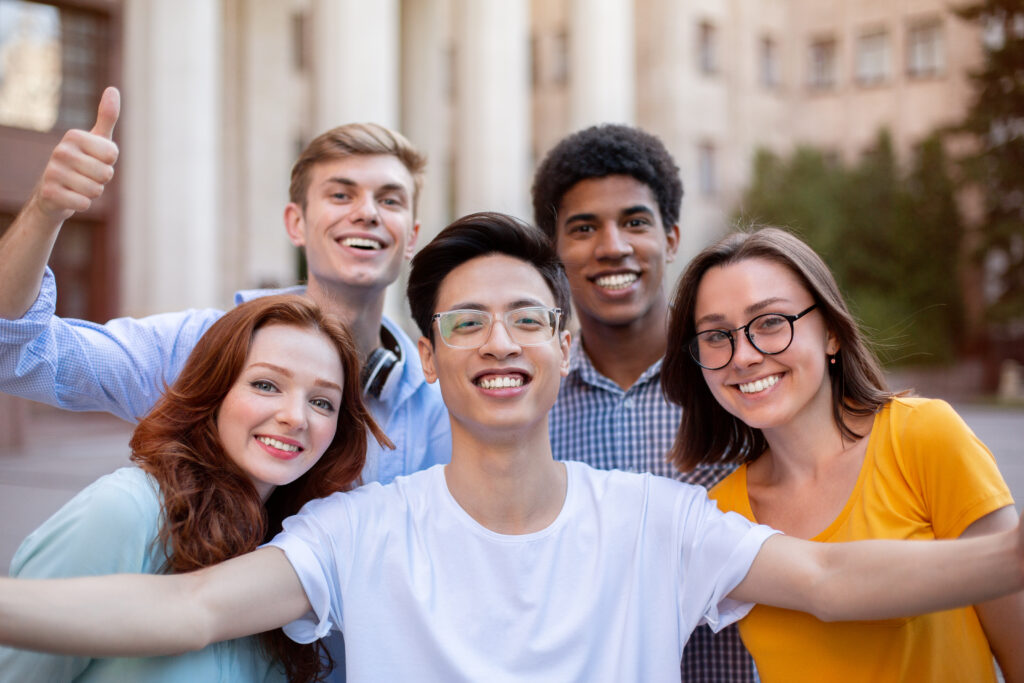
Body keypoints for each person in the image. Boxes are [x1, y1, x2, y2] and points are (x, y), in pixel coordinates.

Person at [0, 213, 1022, 683]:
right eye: (465, 322)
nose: (499, 340)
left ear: (564, 347)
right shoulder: (354, 527)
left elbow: (833, 578)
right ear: (430, 362)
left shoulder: (657, 518)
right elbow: (191, 606)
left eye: (528, 318)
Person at [0, 86, 450, 486]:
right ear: (296, 223)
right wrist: (44, 211)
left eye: (388, 200)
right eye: (340, 194)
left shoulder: (439, 405)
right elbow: (19, 355)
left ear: (410, 236)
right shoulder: (198, 348)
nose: (367, 212)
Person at [661, 227, 1024, 682]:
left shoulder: (924, 436)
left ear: (831, 333)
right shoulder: (719, 511)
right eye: (716, 335)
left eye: (771, 322)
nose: (744, 356)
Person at [0, 294, 388, 682]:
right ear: (215, 390)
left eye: (321, 402)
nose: (294, 417)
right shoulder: (125, 511)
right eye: (266, 385)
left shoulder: (304, 541)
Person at [532, 124, 747, 679]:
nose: (613, 247)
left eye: (634, 222)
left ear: (671, 238)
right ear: (553, 254)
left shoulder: (740, 383)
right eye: (583, 228)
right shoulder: (527, 407)